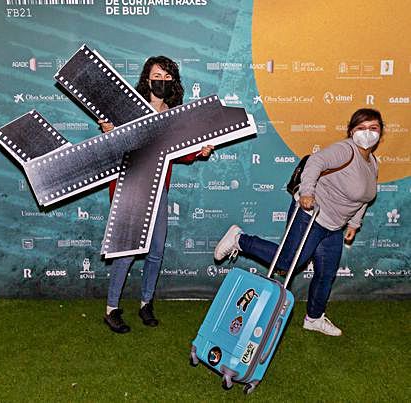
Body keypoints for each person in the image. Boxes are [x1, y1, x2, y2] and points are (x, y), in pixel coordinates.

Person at [214, 108, 383, 336]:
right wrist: (307, 192)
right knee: (288, 261)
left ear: (381, 132)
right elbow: (316, 161)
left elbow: (363, 198)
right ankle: (239, 239)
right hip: (312, 213)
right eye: (362, 128)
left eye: (373, 128)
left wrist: (354, 224)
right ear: (352, 131)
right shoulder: (346, 150)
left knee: (326, 273)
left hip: (334, 226)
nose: (368, 133)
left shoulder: (372, 162)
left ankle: (314, 318)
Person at [99, 56, 214, 334]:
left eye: (166, 76)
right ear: (146, 78)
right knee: (126, 250)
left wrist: (200, 151)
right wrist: (110, 131)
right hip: (129, 187)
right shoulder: (128, 110)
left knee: (156, 250)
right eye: (156, 75)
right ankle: (111, 309)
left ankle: (146, 303)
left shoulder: (174, 116)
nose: (161, 81)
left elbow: (182, 154)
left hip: (158, 188)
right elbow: (112, 146)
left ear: (173, 81)